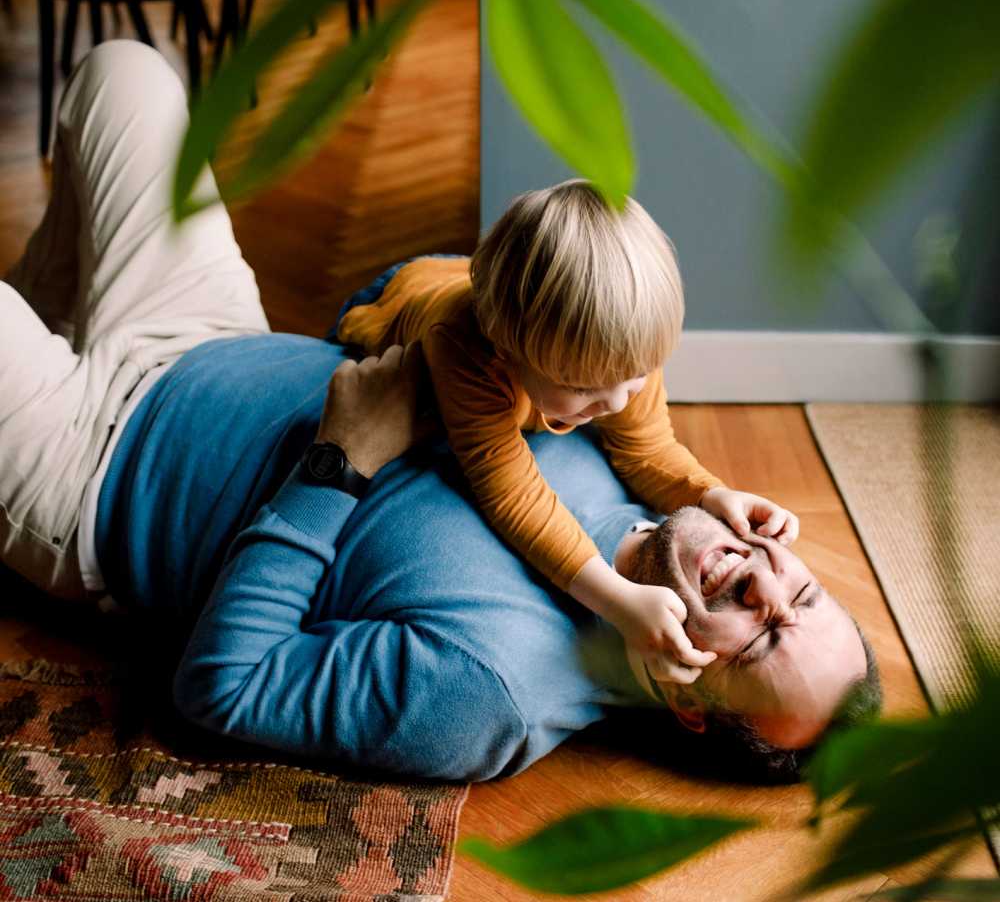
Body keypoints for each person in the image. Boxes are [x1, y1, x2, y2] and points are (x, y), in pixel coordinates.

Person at [0, 41, 879, 782]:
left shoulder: (488, 690)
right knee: (127, 72)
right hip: (207, 331)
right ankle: (46, 314)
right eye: (798, 589)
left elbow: (223, 686)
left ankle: (34, 350)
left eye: (761, 636)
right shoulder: (626, 440)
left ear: (690, 700)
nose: (762, 578)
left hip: (92, 474)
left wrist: (337, 462)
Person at [338, 186, 800, 686]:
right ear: (507, 353)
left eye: (638, 376)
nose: (619, 402)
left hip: (476, 278)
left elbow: (646, 449)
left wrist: (710, 493)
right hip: (404, 297)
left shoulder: (619, 354)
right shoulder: (466, 351)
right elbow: (511, 494)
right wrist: (617, 601)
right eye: (583, 388)